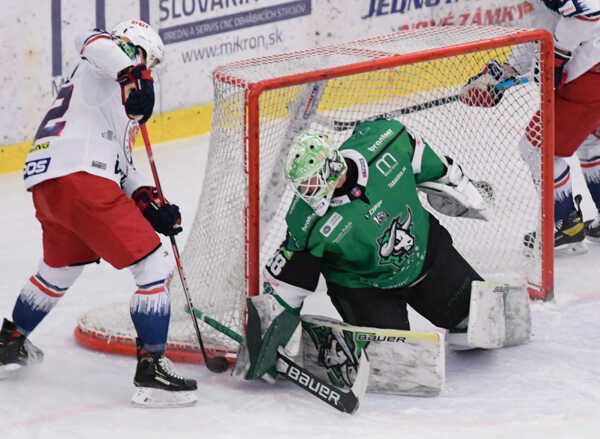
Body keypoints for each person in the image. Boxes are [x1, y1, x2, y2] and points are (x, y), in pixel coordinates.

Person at [233, 121, 531, 383]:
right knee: (398, 362)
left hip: (427, 257)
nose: (308, 192)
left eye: (312, 182)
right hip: (364, 290)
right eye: (303, 186)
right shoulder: (307, 221)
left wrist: (471, 197)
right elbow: (285, 288)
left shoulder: (385, 143)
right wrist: (265, 345)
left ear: (332, 166)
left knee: (484, 322)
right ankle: (349, 339)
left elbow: (441, 169)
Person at [0, 19, 197, 408]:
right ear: (133, 48)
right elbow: (88, 38)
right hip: (80, 178)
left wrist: (151, 203)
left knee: (57, 271)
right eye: (148, 62)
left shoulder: (109, 101)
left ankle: (9, 344)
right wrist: (132, 71)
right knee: (154, 266)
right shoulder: (99, 65)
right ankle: (153, 372)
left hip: (51, 182)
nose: (149, 72)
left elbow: (122, 167)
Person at [461, 0, 600, 254]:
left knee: (537, 147)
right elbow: (543, 27)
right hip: (592, 66)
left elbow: (589, 12)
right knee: (591, 141)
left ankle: (565, 224)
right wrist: (502, 72)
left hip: (591, 71)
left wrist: (557, 56)